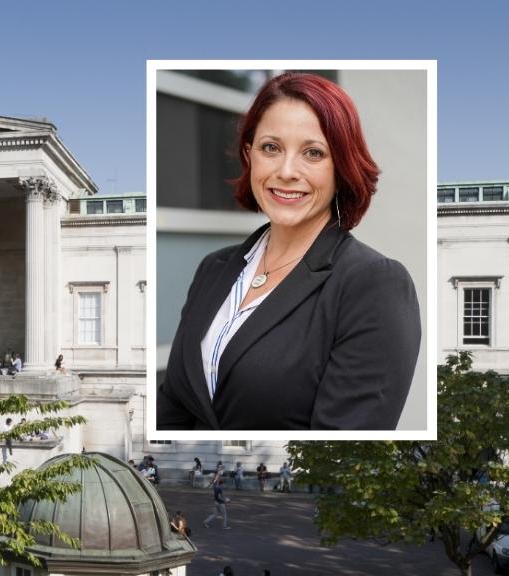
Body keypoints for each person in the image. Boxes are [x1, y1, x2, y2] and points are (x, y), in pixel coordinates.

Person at [157, 72, 420, 431]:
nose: (286, 171)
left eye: (313, 153)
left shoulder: (374, 283)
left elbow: (343, 444)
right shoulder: (213, 268)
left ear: (341, 168)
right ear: (250, 156)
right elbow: (174, 401)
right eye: (271, 148)